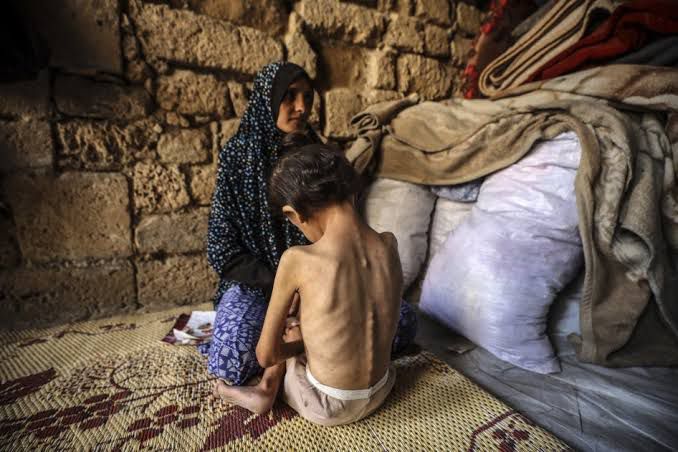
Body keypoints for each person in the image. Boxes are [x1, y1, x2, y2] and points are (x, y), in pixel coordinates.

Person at [214, 144, 412, 426]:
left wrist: (302, 342)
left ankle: (266, 389)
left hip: (326, 406)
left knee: (292, 327)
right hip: (382, 390)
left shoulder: (297, 259)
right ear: (352, 192)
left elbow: (266, 354)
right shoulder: (389, 244)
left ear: (294, 214)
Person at [206, 61, 320, 386]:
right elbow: (221, 248)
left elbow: (332, 230)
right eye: (290, 95)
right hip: (256, 285)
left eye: (307, 97)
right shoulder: (237, 156)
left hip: (315, 282)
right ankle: (306, 349)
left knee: (400, 321)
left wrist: (307, 286)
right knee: (230, 357)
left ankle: (283, 356)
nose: (301, 107)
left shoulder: (316, 154)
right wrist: (280, 286)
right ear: (267, 98)